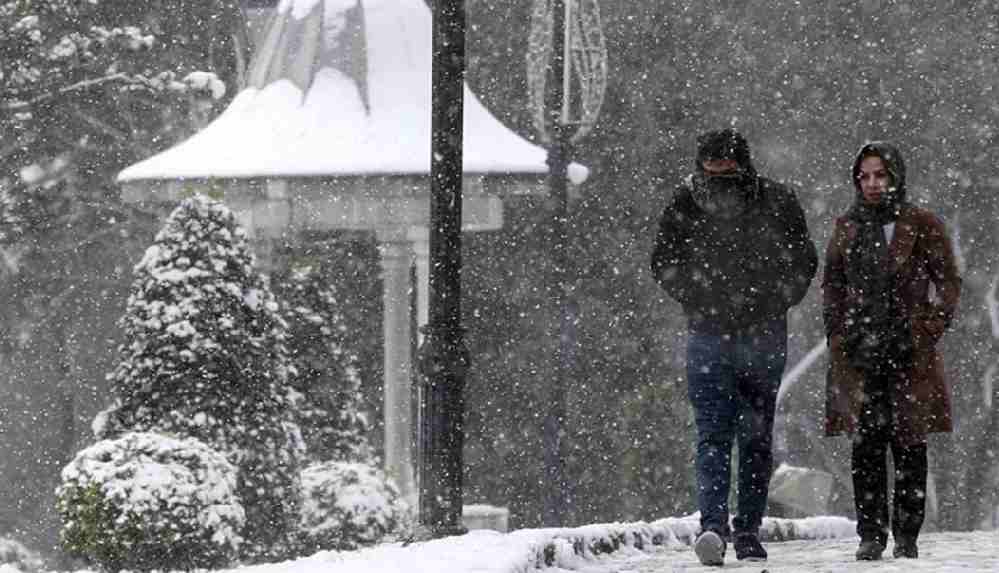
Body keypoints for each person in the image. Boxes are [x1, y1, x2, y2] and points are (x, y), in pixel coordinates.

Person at [651, 128, 818, 566]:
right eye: (713, 166)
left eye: (725, 166)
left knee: (741, 437)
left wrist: (763, 299)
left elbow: (803, 260)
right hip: (723, 332)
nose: (719, 174)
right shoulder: (691, 202)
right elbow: (664, 261)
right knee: (729, 434)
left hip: (745, 332)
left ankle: (736, 527)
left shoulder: (771, 201)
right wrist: (714, 297)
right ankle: (722, 527)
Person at [822, 141, 961, 561]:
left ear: (895, 176)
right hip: (860, 352)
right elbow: (833, 285)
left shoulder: (922, 223)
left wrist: (928, 327)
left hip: (909, 351)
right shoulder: (846, 226)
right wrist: (838, 333)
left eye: (880, 174)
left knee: (909, 443)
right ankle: (871, 533)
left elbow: (949, 281)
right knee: (865, 446)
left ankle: (907, 535)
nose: (872, 184)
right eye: (864, 176)